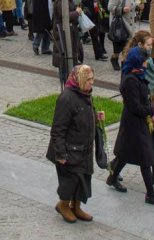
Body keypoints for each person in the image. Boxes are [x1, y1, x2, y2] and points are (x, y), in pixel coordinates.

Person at [108, 34, 154, 206]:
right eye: (143, 61)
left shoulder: (138, 76)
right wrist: (150, 109)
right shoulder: (130, 80)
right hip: (134, 122)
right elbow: (135, 106)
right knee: (145, 158)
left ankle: (112, 178)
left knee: (125, 154)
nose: (145, 64)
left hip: (136, 122)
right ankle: (150, 193)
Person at [47, 64, 100, 224]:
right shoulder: (67, 98)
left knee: (83, 179)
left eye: (92, 79)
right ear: (79, 80)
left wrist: (96, 117)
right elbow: (58, 129)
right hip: (70, 151)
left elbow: (83, 117)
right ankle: (63, 205)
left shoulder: (86, 94)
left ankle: (76, 207)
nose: (92, 83)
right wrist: (61, 153)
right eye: (88, 79)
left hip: (84, 149)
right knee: (70, 180)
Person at [107, 0, 139, 70]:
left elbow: (134, 5)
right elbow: (110, 7)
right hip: (120, 25)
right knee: (118, 47)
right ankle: (114, 58)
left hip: (130, 23)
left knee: (128, 46)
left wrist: (138, 7)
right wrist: (121, 9)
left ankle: (125, 62)